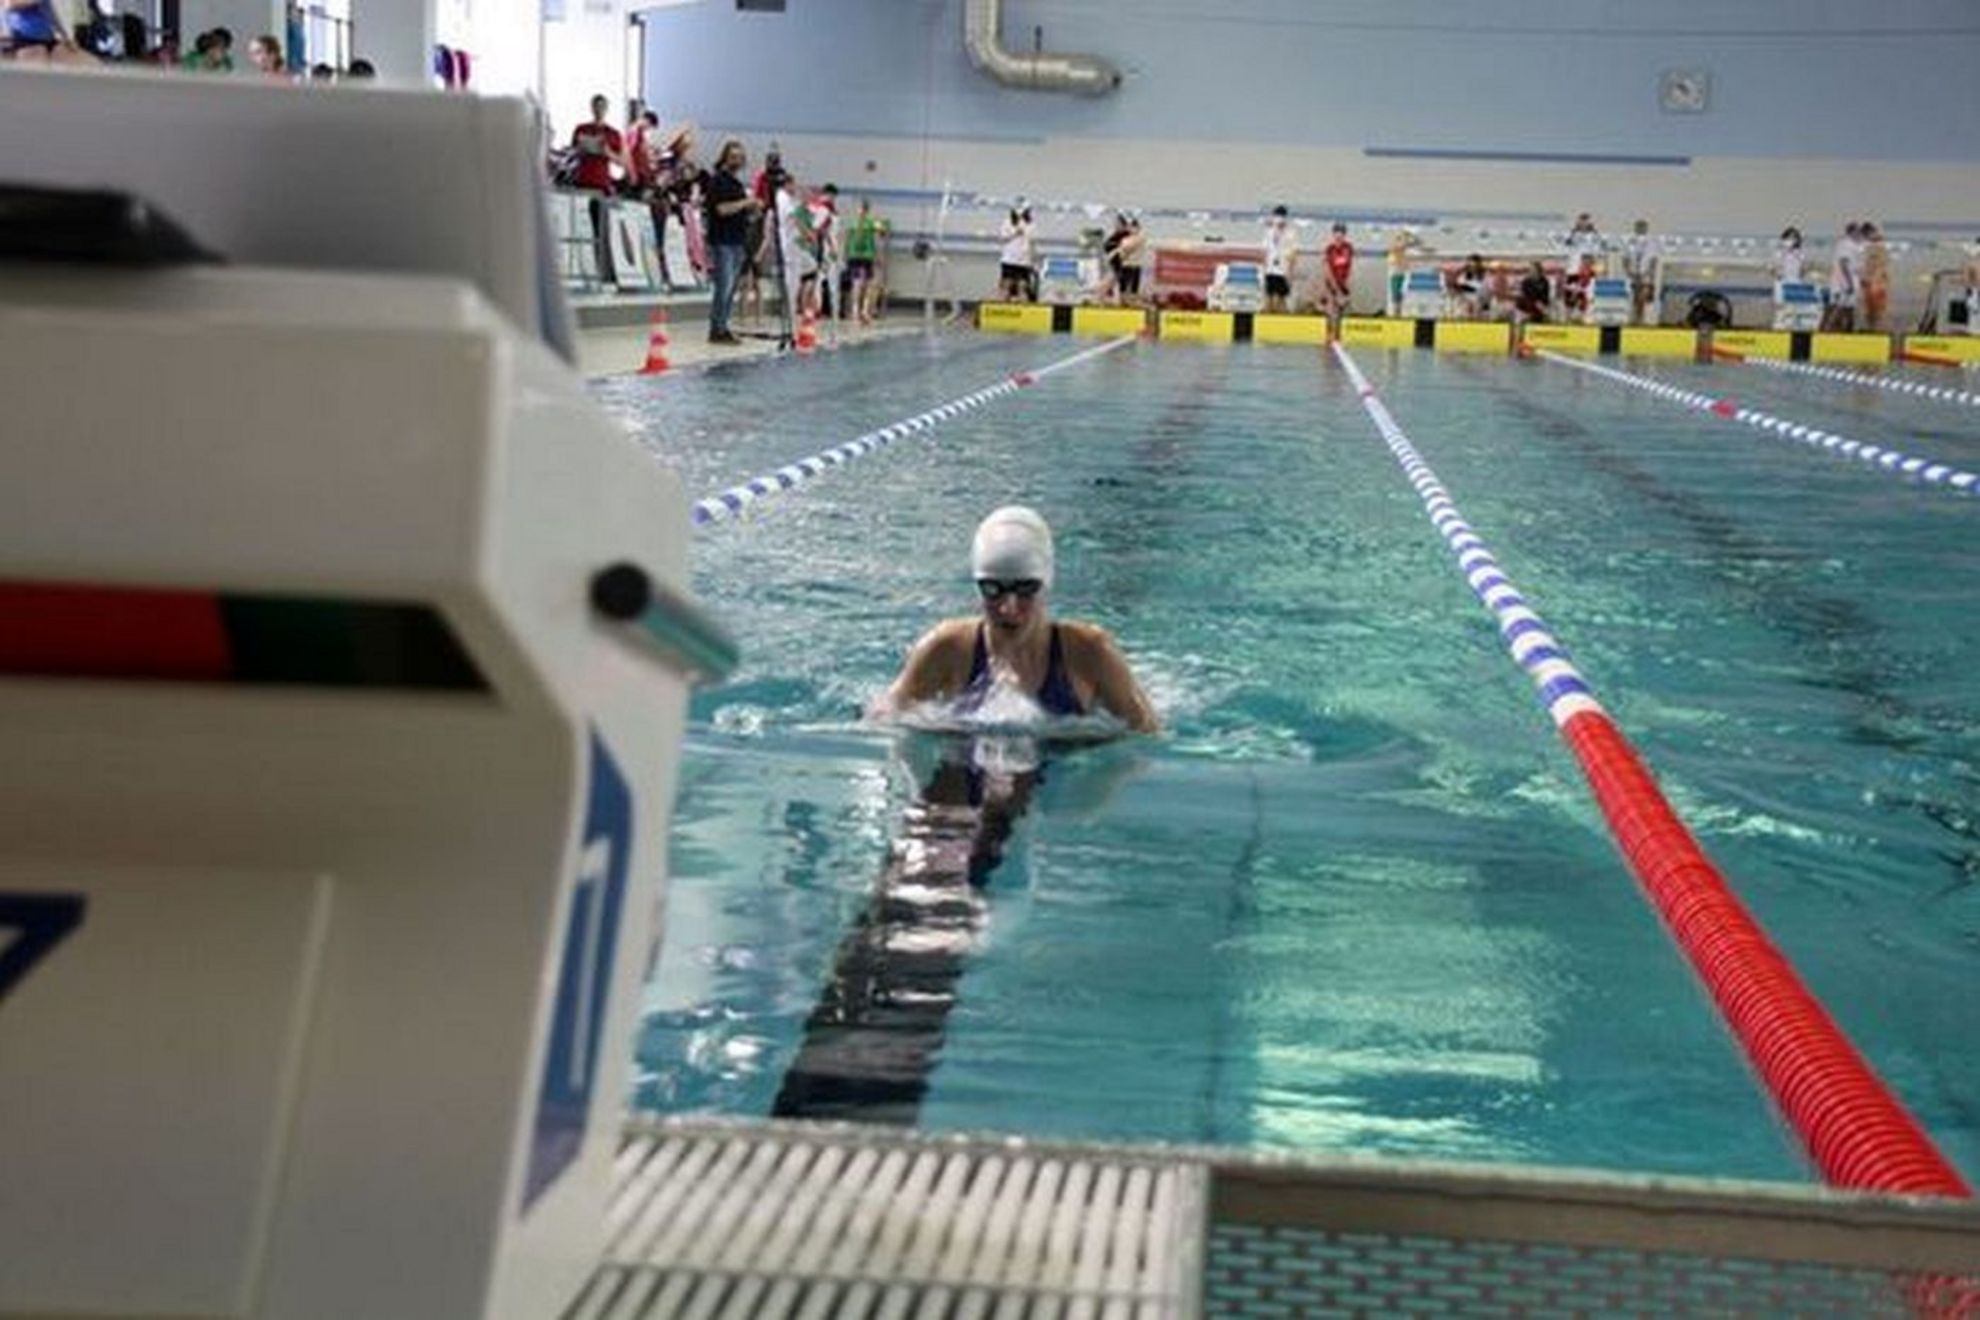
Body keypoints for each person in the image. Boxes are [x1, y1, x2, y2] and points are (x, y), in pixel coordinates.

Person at [873, 507, 1159, 733]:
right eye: (993, 589)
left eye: (1025, 590)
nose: (1008, 608)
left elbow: (1146, 733)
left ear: (1046, 584)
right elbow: (883, 720)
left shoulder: (1090, 651)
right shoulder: (946, 647)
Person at [701, 138, 761, 345]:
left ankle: (723, 326)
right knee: (724, 287)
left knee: (731, 288)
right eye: (733, 156)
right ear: (725, 157)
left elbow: (739, 212)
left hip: (737, 241)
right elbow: (721, 209)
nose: (737, 160)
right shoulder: (718, 181)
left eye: (740, 157)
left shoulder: (737, 184)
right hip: (723, 241)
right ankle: (716, 329)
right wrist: (746, 202)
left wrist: (753, 211)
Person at [844, 197, 885, 323]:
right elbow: (882, 231)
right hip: (866, 256)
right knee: (867, 284)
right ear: (868, 210)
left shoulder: (852, 222)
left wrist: (846, 254)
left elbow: (846, 238)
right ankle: (864, 310)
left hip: (854, 255)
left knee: (857, 283)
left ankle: (856, 311)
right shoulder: (871, 221)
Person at [1621, 218, 1661, 325]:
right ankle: (1632, 318)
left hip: (1645, 274)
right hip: (1632, 274)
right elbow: (1625, 259)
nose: (1640, 229)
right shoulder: (1629, 242)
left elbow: (1653, 261)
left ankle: (1642, 318)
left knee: (1643, 297)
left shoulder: (1652, 242)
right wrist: (1628, 272)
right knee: (1632, 297)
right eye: (1638, 227)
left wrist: (1648, 273)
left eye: (1642, 227)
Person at [1823, 222, 1861, 332]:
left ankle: (1847, 331)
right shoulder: (1846, 245)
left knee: (1848, 310)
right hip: (1843, 284)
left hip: (1847, 283)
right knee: (1837, 308)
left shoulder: (1851, 245)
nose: (1859, 234)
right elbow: (1843, 264)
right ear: (1852, 232)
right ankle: (1827, 330)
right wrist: (1849, 283)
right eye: (1858, 232)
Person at [1262, 205, 1298, 314]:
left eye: (1281, 216)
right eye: (1277, 216)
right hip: (1270, 269)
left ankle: (1283, 319)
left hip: (1283, 270)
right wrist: (1264, 269)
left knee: (1281, 300)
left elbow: (1293, 254)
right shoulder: (1269, 232)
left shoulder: (1291, 233)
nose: (1279, 219)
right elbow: (1265, 251)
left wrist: (1291, 273)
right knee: (1269, 298)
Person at [998, 203, 1035, 302]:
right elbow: (1003, 237)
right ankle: (1002, 307)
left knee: (1022, 287)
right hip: (1009, 259)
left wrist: (1032, 260)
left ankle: (1024, 308)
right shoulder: (1007, 223)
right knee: (1006, 286)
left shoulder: (1030, 224)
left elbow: (1031, 243)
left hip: (1024, 261)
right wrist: (1015, 232)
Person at [1859, 221, 1890, 333]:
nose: (1864, 238)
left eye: (1864, 235)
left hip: (1876, 283)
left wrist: (1870, 279)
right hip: (1873, 282)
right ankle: (1872, 329)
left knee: (1876, 310)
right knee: (1872, 310)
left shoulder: (1877, 245)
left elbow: (1878, 264)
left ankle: (1876, 331)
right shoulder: (1874, 245)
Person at [1322, 222, 1354, 316]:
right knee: (1331, 305)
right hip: (1332, 281)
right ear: (1333, 235)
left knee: (1342, 305)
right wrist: (1333, 285)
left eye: (1341, 234)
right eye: (1336, 234)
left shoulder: (1348, 248)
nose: (1339, 237)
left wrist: (1346, 284)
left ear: (1344, 235)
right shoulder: (1329, 249)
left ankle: (1340, 312)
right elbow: (1326, 267)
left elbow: (1350, 266)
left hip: (1344, 282)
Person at [1450, 253, 1490, 319]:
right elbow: (1458, 286)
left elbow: (1484, 290)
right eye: (1470, 264)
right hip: (1465, 302)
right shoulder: (1464, 275)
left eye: (1474, 264)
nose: (1472, 266)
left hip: (1479, 303)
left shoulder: (1484, 275)